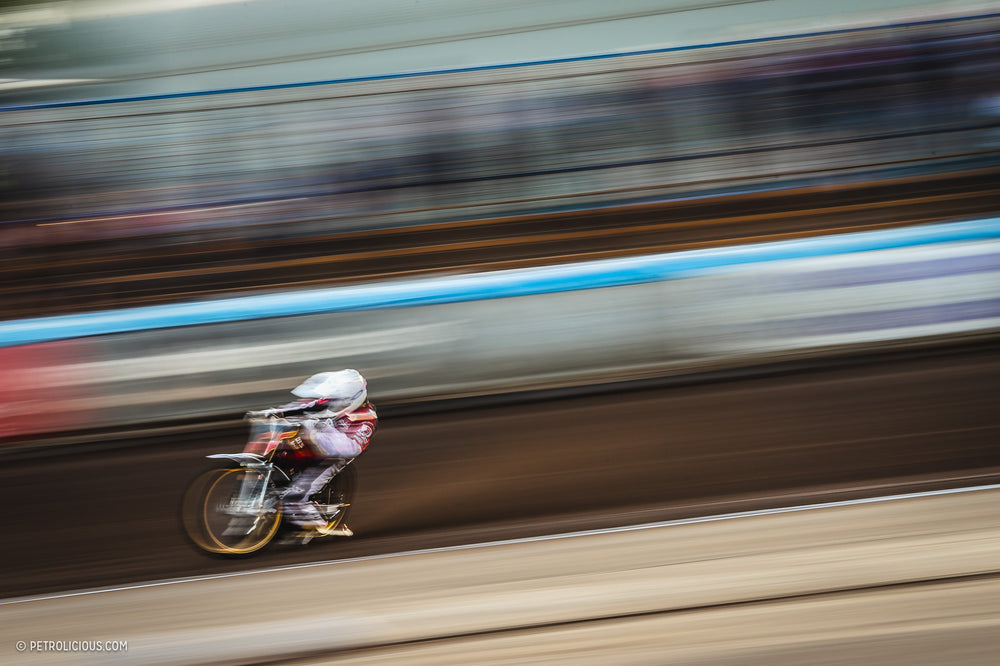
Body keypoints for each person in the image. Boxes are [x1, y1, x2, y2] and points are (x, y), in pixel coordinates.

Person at [260, 369, 376, 536]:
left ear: (355, 398)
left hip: (333, 454)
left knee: (297, 494)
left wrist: (317, 429)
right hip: (315, 438)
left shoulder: (367, 420)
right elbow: (310, 405)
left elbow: (350, 448)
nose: (336, 404)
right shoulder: (339, 398)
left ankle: (308, 513)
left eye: (341, 402)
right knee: (281, 452)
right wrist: (279, 412)